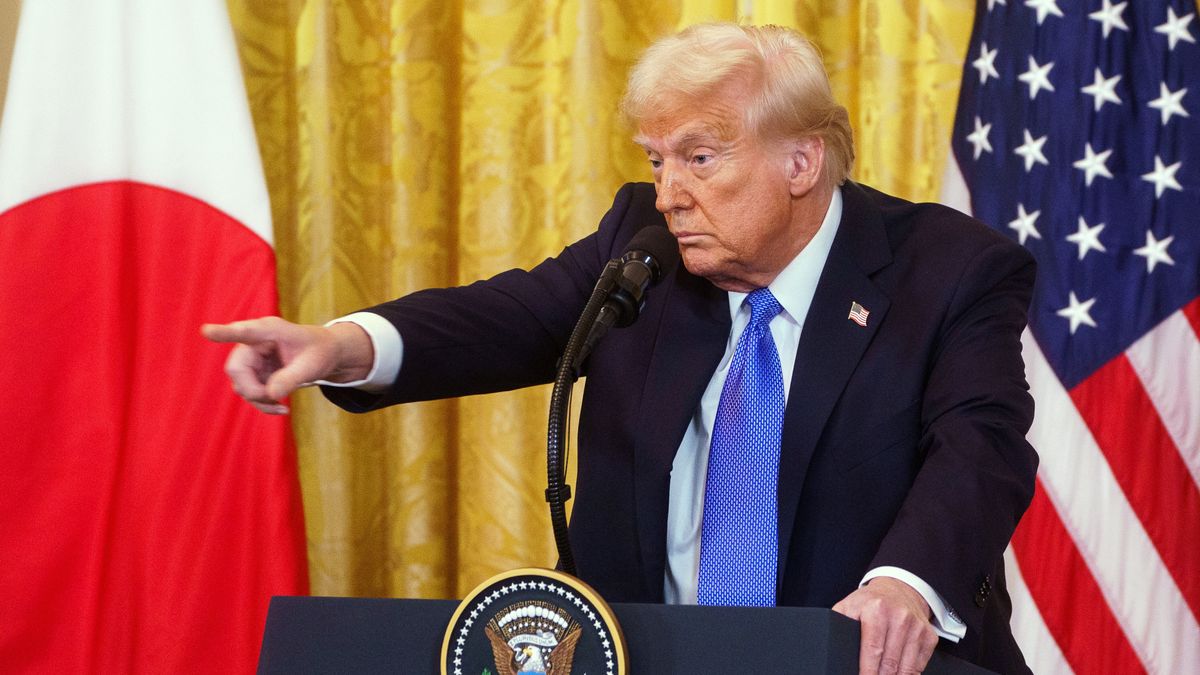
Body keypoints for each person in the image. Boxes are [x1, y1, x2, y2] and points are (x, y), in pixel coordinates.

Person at [204, 23, 1037, 674]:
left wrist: (905, 583)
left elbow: (981, 447)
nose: (671, 192)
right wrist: (342, 342)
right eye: (657, 159)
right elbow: (505, 317)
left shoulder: (949, 269)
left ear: (801, 160)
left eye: (700, 159)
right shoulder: (645, 251)